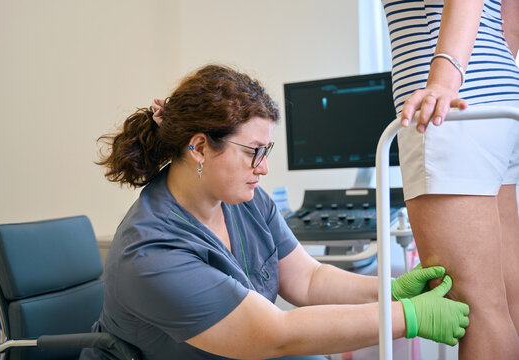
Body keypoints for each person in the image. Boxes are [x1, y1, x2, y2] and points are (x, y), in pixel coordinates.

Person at [80, 64, 469, 360]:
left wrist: (387, 290)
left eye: (265, 152)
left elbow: (309, 281)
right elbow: (274, 332)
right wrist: (408, 318)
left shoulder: (245, 201)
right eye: (254, 152)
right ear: (199, 147)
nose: (263, 168)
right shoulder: (151, 252)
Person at [381, 0, 519, 359]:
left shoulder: (444, 91)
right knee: (507, 295)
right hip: (498, 94)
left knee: (475, 309)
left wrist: (445, 79)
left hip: (445, 109)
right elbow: (512, 17)